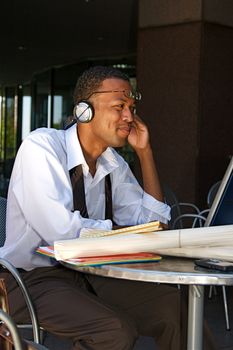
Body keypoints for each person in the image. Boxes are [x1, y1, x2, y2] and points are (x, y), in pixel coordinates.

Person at [0, 66, 216, 350]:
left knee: (175, 309)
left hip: (92, 274)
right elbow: (61, 233)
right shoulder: (42, 147)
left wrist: (145, 153)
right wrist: (126, 234)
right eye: (119, 106)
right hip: (30, 279)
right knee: (114, 331)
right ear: (83, 111)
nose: (130, 116)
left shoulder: (113, 163)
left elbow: (156, 225)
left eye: (132, 107)